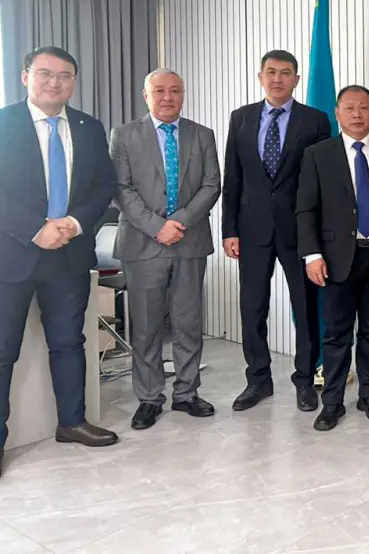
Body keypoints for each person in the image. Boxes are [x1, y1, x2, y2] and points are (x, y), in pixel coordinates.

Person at [0, 46, 120, 474]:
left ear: (73, 82)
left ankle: (71, 422)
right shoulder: (4, 122)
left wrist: (74, 222)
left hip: (69, 255)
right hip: (12, 255)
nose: (54, 82)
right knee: (2, 350)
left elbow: (104, 185)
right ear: (25, 76)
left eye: (64, 75)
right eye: (45, 73)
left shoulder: (89, 127)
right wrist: (36, 228)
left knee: (70, 343)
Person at [110, 68, 221, 430]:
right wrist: (158, 226)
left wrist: (179, 222)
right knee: (146, 326)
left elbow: (211, 184)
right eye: (159, 91)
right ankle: (149, 398)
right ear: (146, 95)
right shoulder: (124, 135)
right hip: (143, 243)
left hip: (190, 241)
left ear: (183, 94)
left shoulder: (202, 135)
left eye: (175, 91)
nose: (168, 97)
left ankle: (187, 393)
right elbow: (121, 189)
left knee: (189, 322)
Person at [222, 50, 332, 413]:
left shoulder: (315, 120)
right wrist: (229, 230)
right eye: (271, 72)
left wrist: (317, 235)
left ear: (297, 80)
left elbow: (320, 182)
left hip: (298, 230)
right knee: (252, 308)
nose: (277, 79)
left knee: (305, 307)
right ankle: (258, 379)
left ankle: (305, 380)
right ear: (260, 77)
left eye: (285, 73)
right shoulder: (241, 118)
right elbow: (232, 178)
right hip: (251, 230)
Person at [296, 85, 369, 431]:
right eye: (350, 108)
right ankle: (332, 402)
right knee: (337, 333)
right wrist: (312, 255)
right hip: (335, 258)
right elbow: (305, 209)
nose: (357, 114)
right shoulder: (318, 154)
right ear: (337, 114)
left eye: (364, 108)